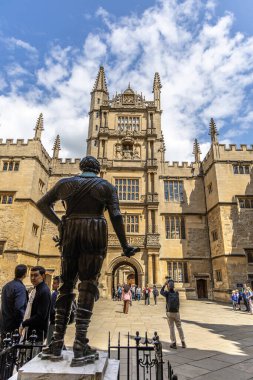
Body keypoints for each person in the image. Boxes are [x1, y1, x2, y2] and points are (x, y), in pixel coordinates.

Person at [36, 156, 139, 365]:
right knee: (88, 285)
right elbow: (117, 216)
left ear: (81, 167)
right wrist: (125, 245)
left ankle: (56, 343)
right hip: (94, 229)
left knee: (66, 285)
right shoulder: (106, 186)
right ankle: (80, 343)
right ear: (98, 169)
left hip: (71, 230)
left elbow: (42, 204)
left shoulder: (65, 183)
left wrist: (60, 224)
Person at [19, 266, 51, 343]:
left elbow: (41, 315)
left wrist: (24, 323)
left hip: (37, 333)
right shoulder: (37, 289)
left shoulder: (44, 291)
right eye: (31, 275)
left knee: (33, 354)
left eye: (36, 275)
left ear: (43, 276)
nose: (33, 278)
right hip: (31, 331)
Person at [0, 264, 28, 339]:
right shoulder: (20, 288)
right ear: (25, 274)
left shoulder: (6, 286)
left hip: (4, 324)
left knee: (4, 348)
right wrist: (22, 324)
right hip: (13, 327)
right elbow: (19, 308)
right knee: (12, 349)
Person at [160, 280, 186, 349]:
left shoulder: (167, 293)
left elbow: (161, 292)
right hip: (176, 312)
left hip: (169, 312)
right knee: (179, 327)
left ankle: (173, 343)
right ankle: (183, 341)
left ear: (168, 287)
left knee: (171, 327)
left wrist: (164, 285)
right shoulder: (177, 293)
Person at [47, 276, 60, 344]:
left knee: (49, 342)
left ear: (59, 285)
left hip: (53, 322)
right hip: (60, 323)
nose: (52, 284)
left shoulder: (55, 294)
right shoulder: (61, 294)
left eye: (54, 283)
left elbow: (51, 310)